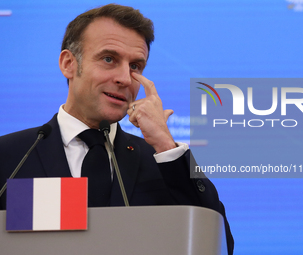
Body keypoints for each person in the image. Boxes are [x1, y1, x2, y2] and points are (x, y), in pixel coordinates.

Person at [0, 4, 233, 254]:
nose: (124, 78)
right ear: (69, 63)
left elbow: (216, 242)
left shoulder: (161, 160)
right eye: (109, 59)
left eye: (135, 66)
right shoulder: (11, 155)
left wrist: (165, 145)